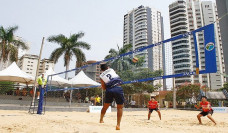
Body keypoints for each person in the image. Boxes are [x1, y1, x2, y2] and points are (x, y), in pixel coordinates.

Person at [99, 63, 124, 130]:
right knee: (120, 107)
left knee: (105, 106)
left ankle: (101, 119)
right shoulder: (111, 69)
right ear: (107, 67)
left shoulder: (101, 76)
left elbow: (104, 87)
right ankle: (118, 125)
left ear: (101, 70)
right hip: (118, 88)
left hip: (109, 90)